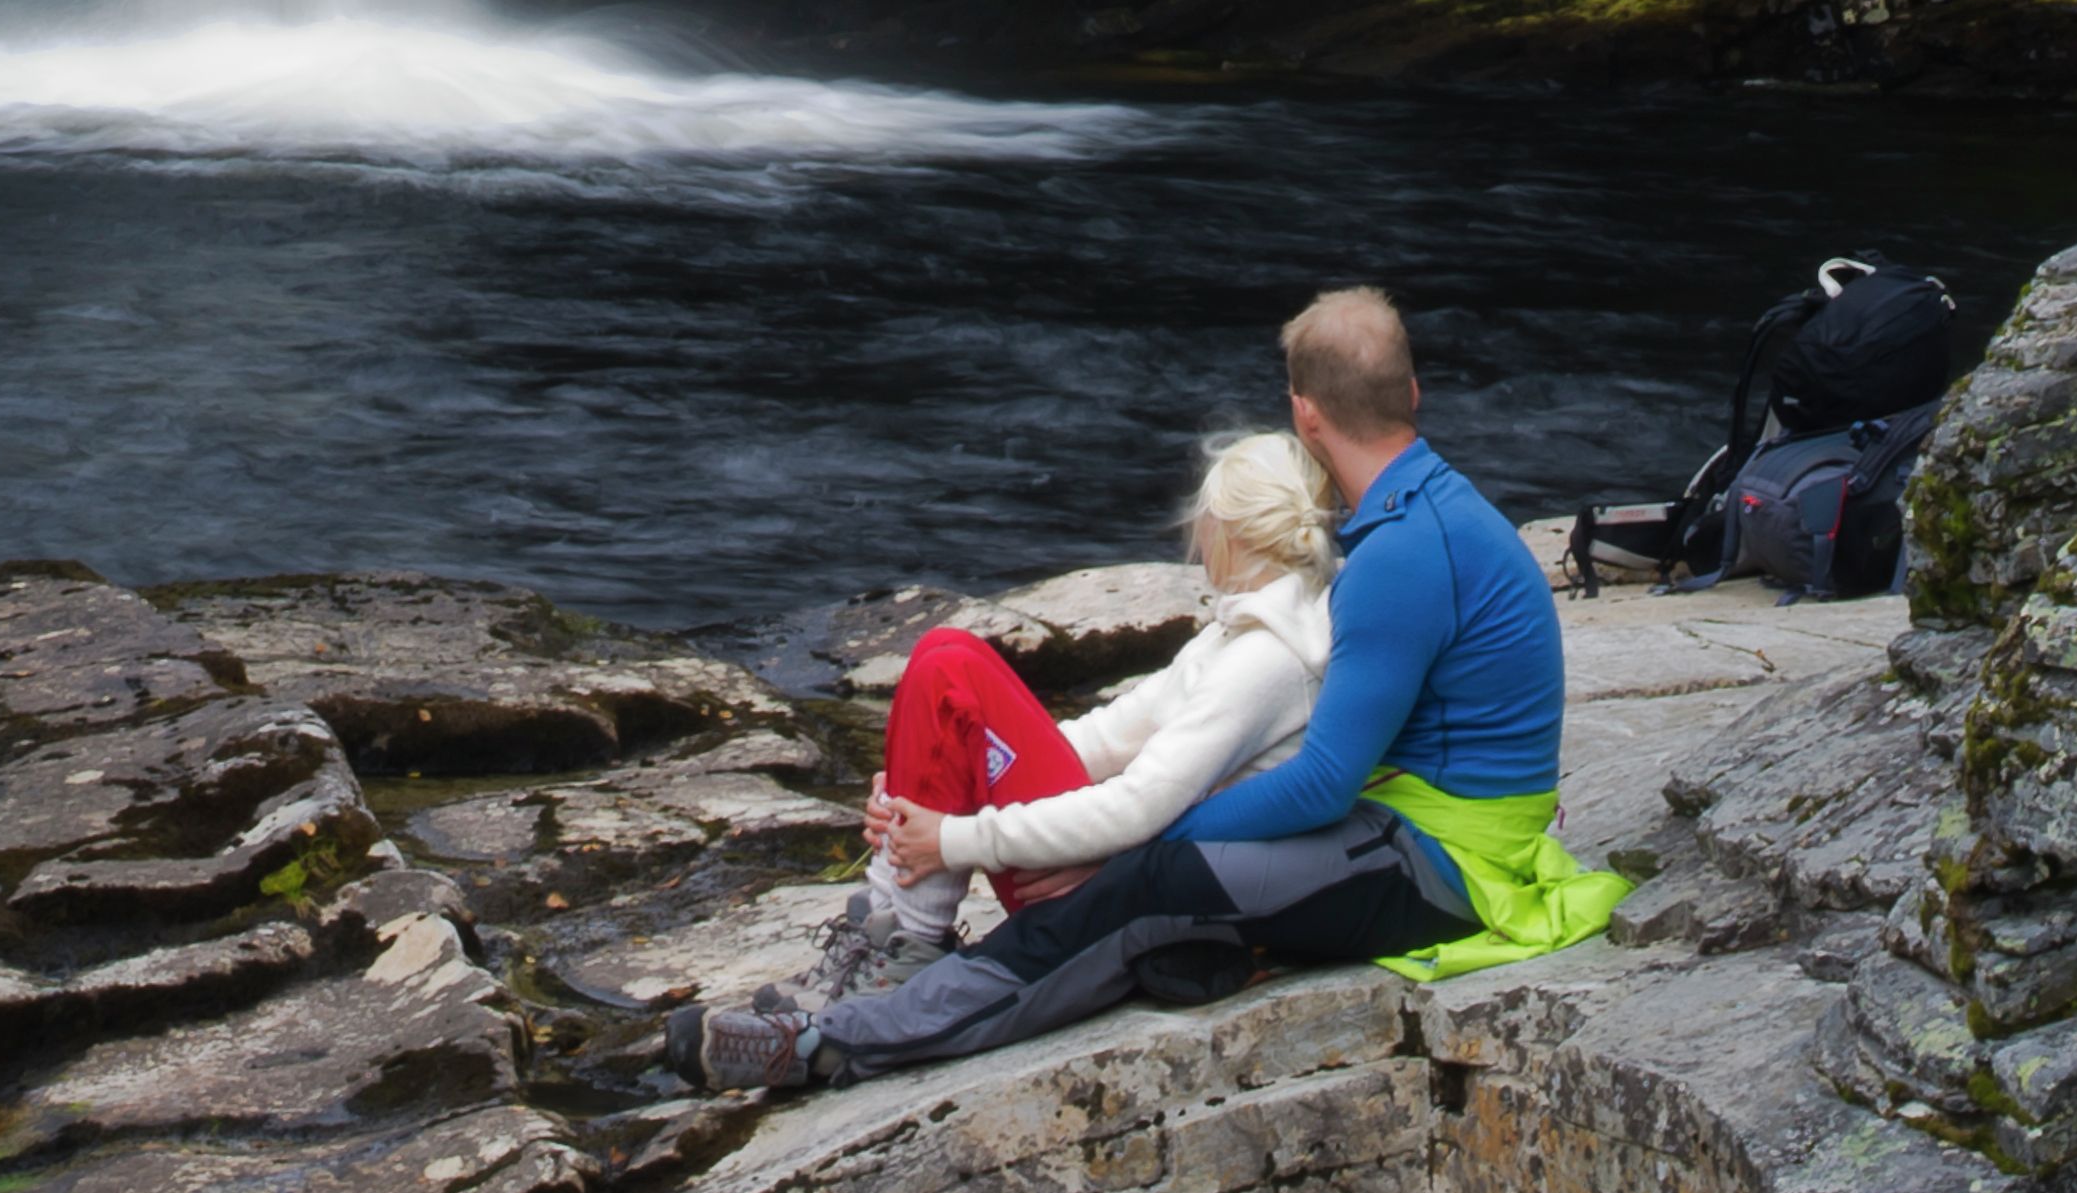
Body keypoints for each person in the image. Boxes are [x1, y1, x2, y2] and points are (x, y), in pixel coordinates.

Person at [680, 287, 1624, 1091]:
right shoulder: (1440, 512)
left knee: (1152, 884)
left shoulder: (1402, 555)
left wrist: (1143, 839)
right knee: (1152, 881)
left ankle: (832, 1044)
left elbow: (1326, 784)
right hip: (1431, 832)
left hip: (1448, 869)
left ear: (1305, 414)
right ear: (1413, 393)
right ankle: (921, 981)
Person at [789, 433, 1339, 1018]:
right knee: (944, 655)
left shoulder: (1268, 662)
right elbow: (1110, 735)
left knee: (950, 662)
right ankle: (888, 926)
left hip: (1115, 900)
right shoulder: (1246, 630)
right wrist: (930, 774)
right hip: (1113, 868)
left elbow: (1139, 806)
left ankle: (909, 945)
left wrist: (950, 837)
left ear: (1228, 529)